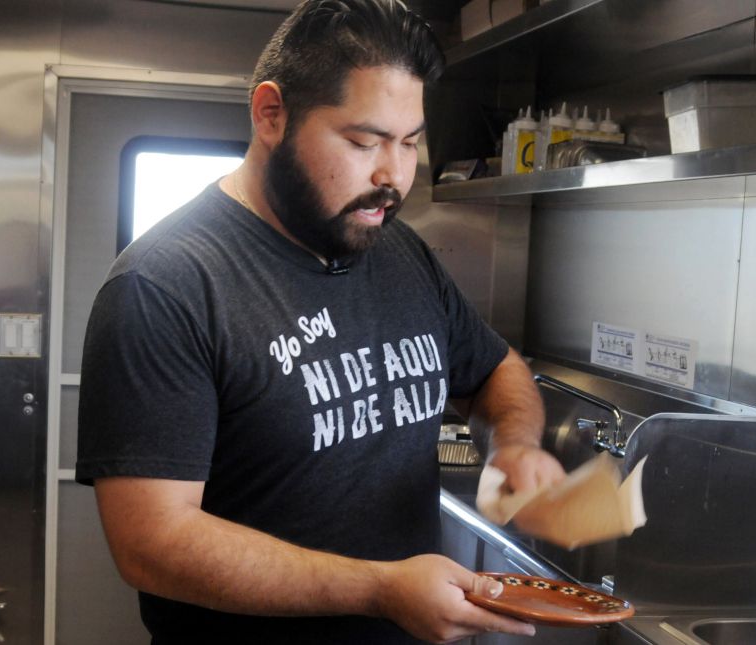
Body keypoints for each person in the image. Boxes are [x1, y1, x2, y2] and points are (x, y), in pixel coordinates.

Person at [76, 1, 566, 642]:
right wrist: (379, 589)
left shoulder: (399, 250)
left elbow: (494, 368)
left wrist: (515, 444)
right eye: (364, 142)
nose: (393, 176)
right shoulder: (166, 287)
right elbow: (153, 542)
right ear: (271, 114)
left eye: (410, 142)